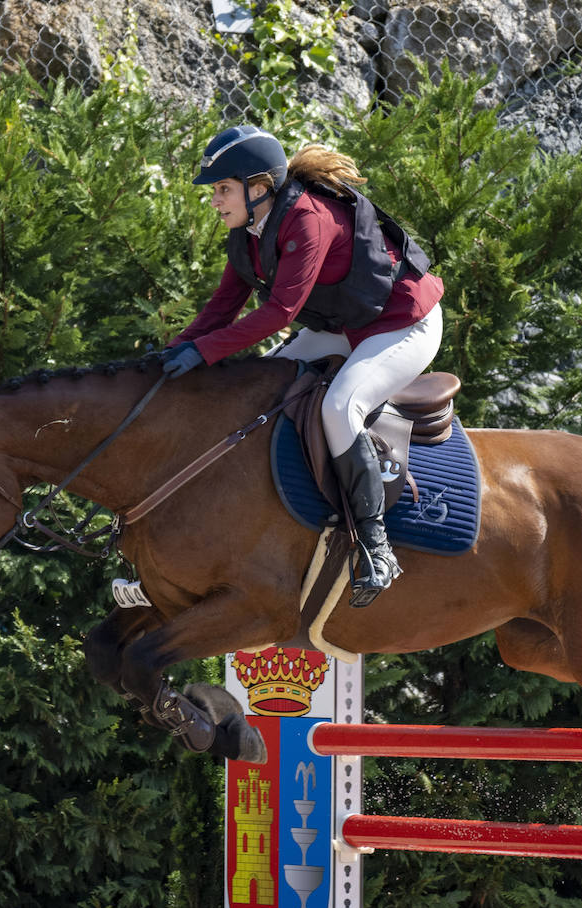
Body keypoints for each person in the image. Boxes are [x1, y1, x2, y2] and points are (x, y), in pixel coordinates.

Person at [161, 125, 445, 608]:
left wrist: (205, 353)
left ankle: (376, 547)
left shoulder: (307, 219)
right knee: (259, 388)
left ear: (258, 188)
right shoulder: (248, 232)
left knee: (340, 407)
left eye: (222, 189)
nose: (214, 201)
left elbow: (279, 314)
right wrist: (174, 350)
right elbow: (222, 308)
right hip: (345, 322)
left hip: (404, 321)